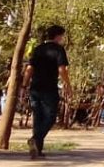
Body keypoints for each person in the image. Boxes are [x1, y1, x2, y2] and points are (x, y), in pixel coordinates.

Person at [21, 25, 71, 159]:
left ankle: (37, 148)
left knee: (38, 117)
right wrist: (67, 84)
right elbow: (62, 70)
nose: (62, 39)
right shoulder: (59, 50)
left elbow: (29, 68)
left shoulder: (38, 49)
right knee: (50, 117)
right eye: (62, 36)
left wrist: (25, 84)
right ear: (58, 36)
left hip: (35, 87)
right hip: (49, 88)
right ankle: (35, 139)